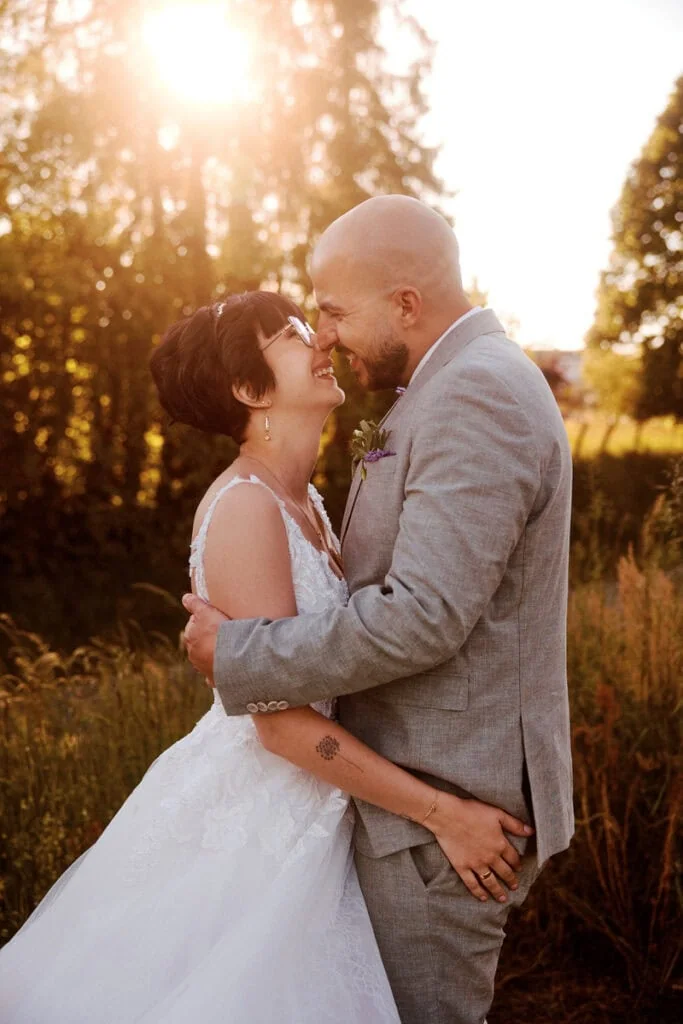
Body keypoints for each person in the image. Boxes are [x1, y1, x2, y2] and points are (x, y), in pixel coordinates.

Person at [0, 289, 531, 1023]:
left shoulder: (306, 500)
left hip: (327, 802)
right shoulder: (246, 508)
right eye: (288, 334)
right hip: (265, 816)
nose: (318, 341)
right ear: (250, 391)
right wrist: (442, 813)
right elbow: (278, 725)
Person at [183, 196, 575, 1024]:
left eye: (328, 312)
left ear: (405, 304)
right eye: (304, 325)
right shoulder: (452, 387)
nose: (324, 335)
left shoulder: (474, 394)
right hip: (406, 810)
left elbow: (423, 613)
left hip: (447, 814)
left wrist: (244, 655)